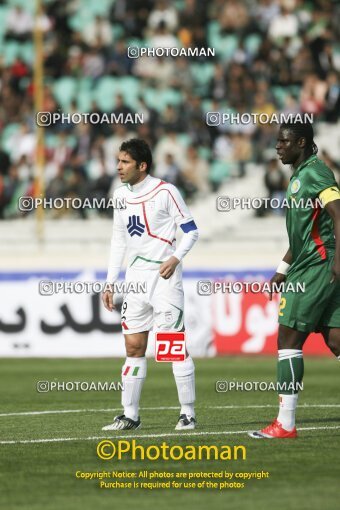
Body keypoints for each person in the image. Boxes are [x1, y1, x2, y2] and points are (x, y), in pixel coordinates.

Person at [249, 119, 340, 439]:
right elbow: (302, 235)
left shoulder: (316, 172)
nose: (278, 146)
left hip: (318, 266)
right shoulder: (299, 176)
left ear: (302, 143)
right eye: (278, 141)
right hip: (312, 264)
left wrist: (337, 262)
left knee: (288, 340)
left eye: (284, 141)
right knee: (335, 340)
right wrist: (281, 270)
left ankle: (285, 424)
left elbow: (338, 215)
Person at [102, 138, 199, 431]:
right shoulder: (120, 196)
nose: (118, 166)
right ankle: (130, 415)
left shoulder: (166, 191)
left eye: (125, 162)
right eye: (118, 161)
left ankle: (188, 413)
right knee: (133, 347)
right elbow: (118, 240)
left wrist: (175, 258)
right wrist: (110, 282)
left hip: (164, 279)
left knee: (171, 347)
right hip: (134, 281)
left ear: (142, 166)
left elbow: (191, 231)